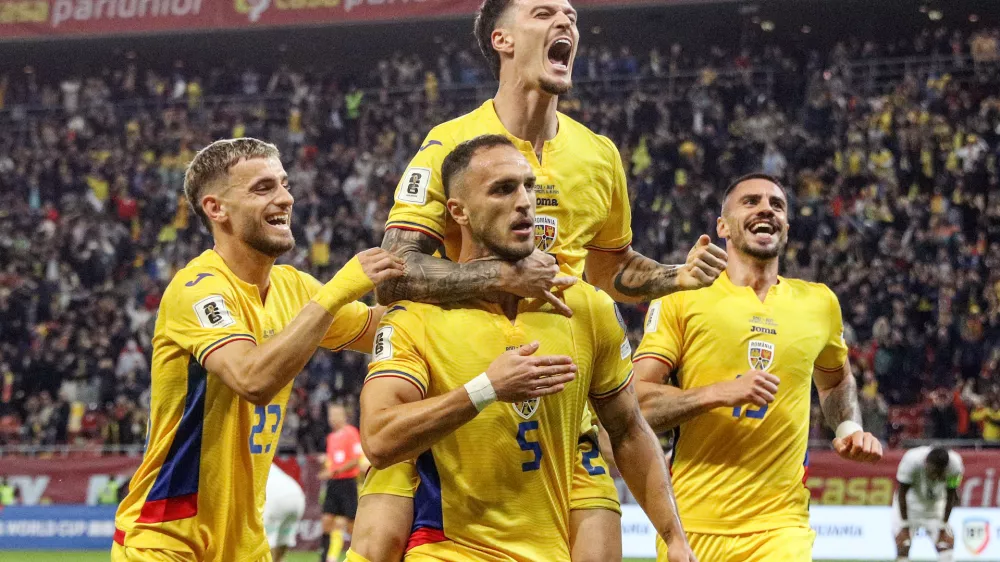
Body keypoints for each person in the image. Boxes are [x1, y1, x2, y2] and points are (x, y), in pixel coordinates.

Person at [352, 0, 726, 559]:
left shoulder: (599, 156)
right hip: (455, 374)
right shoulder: (450, 144)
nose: (566, 22)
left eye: (572, 15)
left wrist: (675, 275)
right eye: (544, 12)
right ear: (501, 39)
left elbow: (608, 272)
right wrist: (504, 275)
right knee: (377, 543)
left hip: (562, 384)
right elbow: (394, 271)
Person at [358, 135, 695, 562]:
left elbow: (628, 429)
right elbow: (380, 438)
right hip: (449, 550)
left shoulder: (587, 309)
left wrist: (675, 537)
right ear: (458, 211)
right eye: (502, 189)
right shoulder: (415, 317)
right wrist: (486, 388)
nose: (524, 202)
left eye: (528, 186)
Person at [111, 137, 404, 562]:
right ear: (217, 209)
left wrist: (468, 278)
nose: (286, 198)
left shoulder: (294, 288)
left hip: (246, 545)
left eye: (284, 184)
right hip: (167, 538)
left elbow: (385, 330)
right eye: (263, 188)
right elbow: (253, 379)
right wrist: (338, 290)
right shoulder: (198, 289)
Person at [634, 173, 884, 562]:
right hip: (694, 523)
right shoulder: (681, 298)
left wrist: (850, 427)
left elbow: (836, 381)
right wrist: (717, 393)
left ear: (785, 225)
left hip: (782, 527)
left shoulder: (819, 303)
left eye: (777, 204)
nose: (766, 208)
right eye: (750, 202)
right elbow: (637, 405)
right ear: (722, 227)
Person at [894, 447, 964, 562]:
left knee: (946, 548)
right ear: (926, 463)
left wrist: (943, 526)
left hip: (936, 505)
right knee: (903, 546)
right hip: (910, 504)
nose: (936, 476)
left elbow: (951, 496)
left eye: (939, 473)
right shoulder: (911, 460)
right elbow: (902, 494)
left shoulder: (955, 467)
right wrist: (904, 525)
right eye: (933, 472)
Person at [319, 403, 364, 562]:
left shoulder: (351, 433)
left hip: (348, 483)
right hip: (333, 484)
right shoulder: (331, 437)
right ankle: (324, 558)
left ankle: (360, 554)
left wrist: (335, 470)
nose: (331, 418)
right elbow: (333, 461)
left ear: (343, 416)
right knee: (326, 522)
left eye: (335, 415)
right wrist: (326, 463)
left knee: (350, 525)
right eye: (330, 415)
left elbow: (355, 460)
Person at [264, 461, 307, 562]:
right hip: (297, 496)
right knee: (282, 542)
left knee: (266, 544)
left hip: (275, 498)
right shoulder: (268, 463)